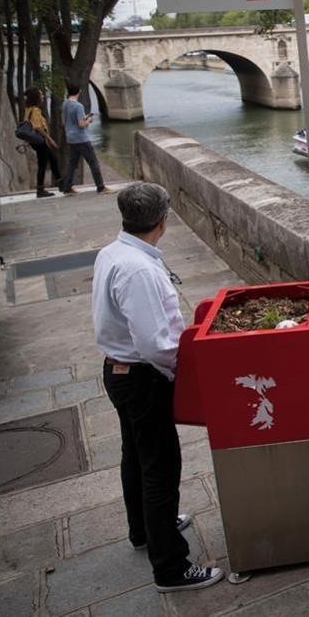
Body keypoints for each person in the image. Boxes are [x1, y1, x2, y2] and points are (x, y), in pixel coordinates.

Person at [92, 183, 222, 593]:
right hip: (144, 376)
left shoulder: (112, 253)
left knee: (136, 456)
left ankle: (144, 530)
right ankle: (171, 567)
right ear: (163, 220)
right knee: (161, 470)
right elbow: (155, 344)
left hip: (119, 371)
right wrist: (180, 375)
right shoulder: (140, 270)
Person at [62, 84, 110, 195]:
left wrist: (84, 117)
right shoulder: (78, 106)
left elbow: (64, 121)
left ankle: (67, 187)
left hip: (70, 137)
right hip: (81, 138)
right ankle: (101, 187)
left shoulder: (65, 104)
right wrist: (88, 120)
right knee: (93, 162)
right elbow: (81, 124)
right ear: (79, 92)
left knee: (72, 164)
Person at [23, 88, 59, 198]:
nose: (43, 96)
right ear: (36, 98)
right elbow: (37, 127)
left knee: (51, 159)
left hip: (36, 141)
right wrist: (49, 139)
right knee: (44, 163)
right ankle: (42, 189)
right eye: (41, 95)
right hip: (39, 140)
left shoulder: (28, 109)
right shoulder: (35, 111)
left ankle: (60, 181)